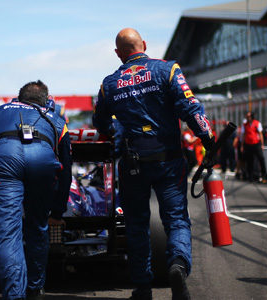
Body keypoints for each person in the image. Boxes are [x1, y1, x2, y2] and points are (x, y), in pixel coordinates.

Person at [92, 28, 215, 300]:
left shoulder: (109, 83)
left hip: (132, 163)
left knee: (136, 224)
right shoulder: (167, 70)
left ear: (118, 54)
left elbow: (99, 122)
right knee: (176, 219)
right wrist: (209, 138)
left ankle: (142, 287)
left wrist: (116, 131)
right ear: (144, 44)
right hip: (168, 161)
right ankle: (177, 266)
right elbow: (190, 108)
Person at [0, 80, 71, 300]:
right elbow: (66, 171)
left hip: (4, 163)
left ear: (19, 98)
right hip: (43, 163)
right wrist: (58, 212)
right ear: (46, 100)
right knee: (39, 227)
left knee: (8, 233)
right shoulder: (58, 120)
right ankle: (35, 289)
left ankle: (15, 296)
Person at [242, 111, 267, 182]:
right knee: (249, 161)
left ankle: (264, 175)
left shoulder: (257, 123)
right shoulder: (245, 125)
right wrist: (242, 145)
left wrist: (262, 144)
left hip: (256, 144)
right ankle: (250, 176)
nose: (248, 118)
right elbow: (243, 135)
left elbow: (260, 134)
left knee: (261, 158)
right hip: (248, 144)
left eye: (249, 117)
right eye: (247, 117)